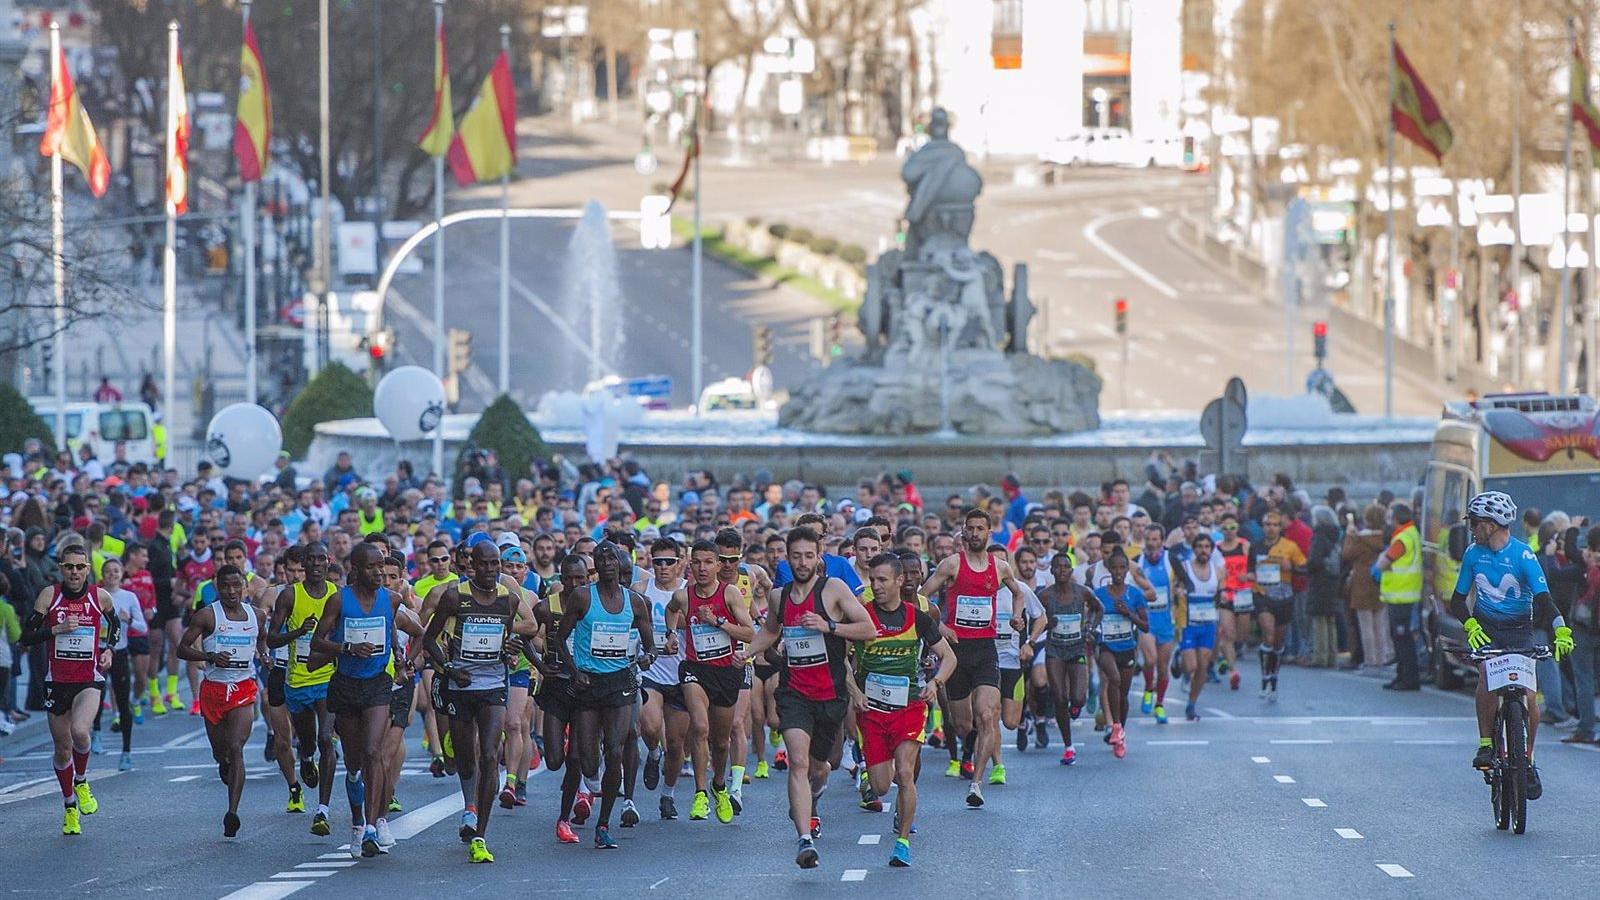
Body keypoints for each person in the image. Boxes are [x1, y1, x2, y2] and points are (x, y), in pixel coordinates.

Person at [745, 526, 876, 869]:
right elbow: (770, 632)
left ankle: (812, 797)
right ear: (787, 559)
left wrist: (828, 626)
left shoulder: (833, 589)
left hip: (830, 694)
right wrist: (746, 652)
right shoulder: (780, 596)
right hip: (794, 692)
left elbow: (868, 629)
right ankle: (804, 839)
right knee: (798, 762)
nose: (802, 562)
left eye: (808, 556)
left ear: (818, 557)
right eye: (796, 556)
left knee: (821, 767)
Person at [415, 540, 537, 863]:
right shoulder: (455, 596)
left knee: (490, 755)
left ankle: (480, 834)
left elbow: (525, 631)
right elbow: (429, 639)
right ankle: (469, 803)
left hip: (493, 686)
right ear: (472, 565)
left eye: (495, 564)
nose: (490, 570)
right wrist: (449, 669)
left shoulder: (508, 599)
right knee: (466, 760)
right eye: (484, 563)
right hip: (460, 686)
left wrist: (515, 646)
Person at [1451, 491, 1570, 801]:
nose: (1471, 528)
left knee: (1528, 694)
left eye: (1475, 523)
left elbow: (1544, 600)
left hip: (1519, 632)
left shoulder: (1523, 555)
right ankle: (1486, 744)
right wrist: (1470, 625)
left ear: (1491, 524)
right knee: (1486, 678)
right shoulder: (1472, 554)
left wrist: (1560, 630)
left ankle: (1527, 759)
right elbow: (1457, 600)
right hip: (1486, 629)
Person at [917, 508, 1029, 809]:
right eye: (971, 528)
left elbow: (1018, 593)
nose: (975, 533)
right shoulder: (952, 564)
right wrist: (941, 627)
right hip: (956, 653)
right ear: (964, 532)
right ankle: (974, 745)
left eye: (981, 528)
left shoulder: (1000, 567)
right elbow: (921, 599)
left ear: (989, 532)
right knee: (963, 725)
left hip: (985, 651)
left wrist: (1017, 617)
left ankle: (976, 783)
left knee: (988, 715)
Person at [852, 553, 955, 868]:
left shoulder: (918, 617)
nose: (876, 586)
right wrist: (854, 691)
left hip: (908, 705)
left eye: (882, 580)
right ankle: (872, 779)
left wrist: (935, 683)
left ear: (899, 581)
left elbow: (949, 657)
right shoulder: (861, 616)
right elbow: (840, 658)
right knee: (882, 786)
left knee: (906, 772)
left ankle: (903, 842)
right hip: (871, 710)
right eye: (873, 580)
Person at [555, 541, 654, 849]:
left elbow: (650, 645)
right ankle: (589, 791)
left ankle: (603, 824)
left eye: (613, 559)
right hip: (588, 684)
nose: (608, 563)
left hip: (620, 682)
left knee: (615, 751)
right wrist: (575, 672)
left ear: (621, 565)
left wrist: (647, 657)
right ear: (595, 566)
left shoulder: (635, 601)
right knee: (588, 761)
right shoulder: (583, 597)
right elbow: (560, 639)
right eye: (602, 559)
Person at [309, 543, 402, 858]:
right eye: (371, 567)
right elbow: (317, 642)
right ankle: (357, 823)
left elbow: (402, 630)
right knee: (353, 763)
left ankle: (373, 827)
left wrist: (403, 656)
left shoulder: (392, 599)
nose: (378, 573)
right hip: (346, 684)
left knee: (373, 751)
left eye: (381, 567)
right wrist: (347, 647)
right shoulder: (339, 600)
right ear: (356, 570)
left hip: (377, 684)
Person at [19, 543, 117, 834]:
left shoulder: (100, 596)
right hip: (57, 681)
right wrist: (56, 629)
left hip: (88, 679)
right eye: (69, 567)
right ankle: (70, 807)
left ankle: (82, 780)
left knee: (80, 732)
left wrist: (108, 650)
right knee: (63, 750)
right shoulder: (49, 595)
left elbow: (116, 627)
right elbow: (26, 636)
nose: (75, 572)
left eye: (80, 567)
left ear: (87, 569)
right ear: (62, 569)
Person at [666, 539, 755, 824]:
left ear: (718, 565)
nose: (702, 568)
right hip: (695, 669)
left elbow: (749, 633)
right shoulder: (683, 596)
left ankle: (719, 785)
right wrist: (671, 633)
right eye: (697, 562)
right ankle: (700, 793)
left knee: (721, 742)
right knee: (700, 727)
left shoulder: (729, 593)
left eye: (708, 562)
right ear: (689, 566)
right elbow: (671, 610)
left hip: (726, 673)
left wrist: (717, 622)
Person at [176, 565, 260, 838]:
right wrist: (209, 657)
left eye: (237, 586)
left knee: (236, 747)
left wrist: (265, 656)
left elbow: (263, 642)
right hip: (213, 691)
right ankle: (223, 763)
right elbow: (182, 649)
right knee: (220, 753)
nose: (232, 591)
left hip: (243, 688)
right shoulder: (207, 616)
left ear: (244, 586)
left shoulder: (256, 615)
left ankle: (232, 813)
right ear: (218, 588)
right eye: (226, 586)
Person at [265, 541, 338, 835]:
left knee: (326, 739)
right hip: (297, 680)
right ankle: (306, 758)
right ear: (304, 564)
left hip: (328, 678)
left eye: (322, 559)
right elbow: (271, 639)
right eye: (312, 559)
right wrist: (299, 631)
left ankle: (322, 810)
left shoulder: (336, 594)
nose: (317, 564)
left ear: (328, 562)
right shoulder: (289, 596)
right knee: (308, 742)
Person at [635, 538, 688, 820]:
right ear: (651, 562)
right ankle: (654, 753)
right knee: (651, 725)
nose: (664, 567)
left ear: (680, 563)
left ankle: (668, 795)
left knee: (677, 745)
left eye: (669, 561)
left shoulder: (689, 592)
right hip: (650, 671)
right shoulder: (641, 591)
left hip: (681, 675)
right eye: (658, 562)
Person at [1090, 548, 1151, 759]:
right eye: (1114, 568)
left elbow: (1145, 626)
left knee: (1123, 694)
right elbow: (1091, 618)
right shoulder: (1099, 595)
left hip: (1127, 648)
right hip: (1106, 646)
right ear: (1109, 569)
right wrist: (1090, 632)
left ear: (1127, 570)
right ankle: (1115, 726)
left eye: (1122, 568)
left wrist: (1129, 613)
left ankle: (1120, 732)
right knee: (1113, 680)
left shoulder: (1135, 595)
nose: (1118, 572)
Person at [1038, 552, 1089, 764]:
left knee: (1078, 698)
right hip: (1055, 650)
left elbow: (1099, 608)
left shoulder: (1082, 592)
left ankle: (1076, 706)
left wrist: (1090, 628)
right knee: (1059, 697)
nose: (1062, 570)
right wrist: (1046, 625)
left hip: (1077, 649)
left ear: (1071, 570)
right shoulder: (1045, 596)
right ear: (1051, 570)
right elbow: (1034, 620)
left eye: (1066, 567)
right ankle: (1068, 747)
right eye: (1058, 567)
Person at [1254, 511, 1308, 701]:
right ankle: (1264, 678)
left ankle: (1274, 678)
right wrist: (1250, 576)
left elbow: (1305, 568)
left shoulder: (1290, 547)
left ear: (1280, 527)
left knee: (1278, 642)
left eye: (1275, 525)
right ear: (1263, 527)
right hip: (1263, 595)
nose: (1271, 528)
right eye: (1267, 524)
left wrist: (1290, 567)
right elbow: (1249, 568)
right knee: (1268, 636)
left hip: (1284, 597)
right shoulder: (1256, 546)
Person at [100, 558, 144, 770]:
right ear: (103, 575)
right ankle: (95, 733)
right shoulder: (96, 595)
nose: (112, 575)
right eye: (108, 571)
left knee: (123, 700)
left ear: (122, 574)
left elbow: (143, 627)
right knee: (96, 696)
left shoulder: (129, 597)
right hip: (97, 652)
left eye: (116, 571)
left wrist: (128, 620)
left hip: (119, 652)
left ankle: (126, 751)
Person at [1373, 503, 1423, 692]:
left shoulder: (1402, 538)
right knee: (1402, 639)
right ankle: (1402, 676)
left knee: (1402, 640)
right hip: (1405, 594)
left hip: (1401, 596)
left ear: (1396, 518)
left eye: (1389, 517)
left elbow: (1383, 563)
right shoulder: (1412, 533)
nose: (1387, 521)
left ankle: (1408, 678)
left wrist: (1381, 559)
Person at [1176, 534, 1221, 722]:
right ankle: (1179, 661)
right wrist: (1178, 592)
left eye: (1207, 547)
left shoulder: (1217, 571)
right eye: (1200, 546)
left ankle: (1191, 704)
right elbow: (1174, 588)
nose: (1203, 550)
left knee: (1202, 666)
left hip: (1208, 624)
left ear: (1211, 550)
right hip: (1188, 624)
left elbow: (1221, 595)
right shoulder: (1185, 568)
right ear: (1194, 549)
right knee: (1191, 666)